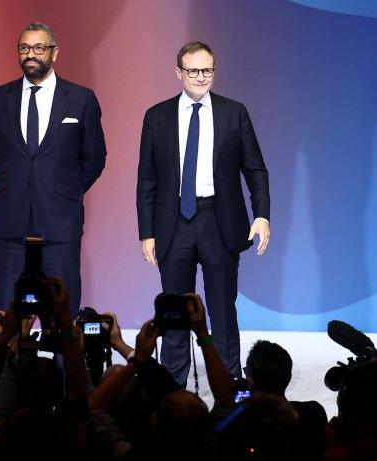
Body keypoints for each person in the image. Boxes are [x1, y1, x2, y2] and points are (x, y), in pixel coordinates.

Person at [137, 41, 270, 385]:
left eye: (207, 70)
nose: (201, 77)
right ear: (178, 72)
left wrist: (262, 215)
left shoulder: (234, 112)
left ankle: (228, 390)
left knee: (223, 312)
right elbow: (147, 179)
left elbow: (255, 169)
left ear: (214, 71)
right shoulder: (157, 117)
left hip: (219, 223)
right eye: (193, 70)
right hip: (173, 225)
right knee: (174, 315)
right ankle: (171, 391)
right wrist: (146, 232)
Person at [0, 22, 106, 315]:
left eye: (38, 48)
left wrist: (65, 190)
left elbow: (94, 159)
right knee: (10, 317)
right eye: (24, 48)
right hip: (10, 224)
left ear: (55, 53)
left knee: (62, 318)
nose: (31, 55)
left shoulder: (81, 99)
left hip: (60, 225)